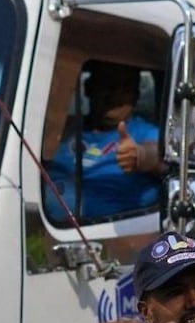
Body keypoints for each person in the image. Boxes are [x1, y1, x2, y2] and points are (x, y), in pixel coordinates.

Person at [46, 61, 165, 222]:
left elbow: (161, 156)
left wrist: (140, 155)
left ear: (136, 95)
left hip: (107, 230)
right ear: (89, 88)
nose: (116, 93)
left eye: (126, 87)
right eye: (108, 83)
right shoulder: (64, 130)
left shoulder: (143, 132)